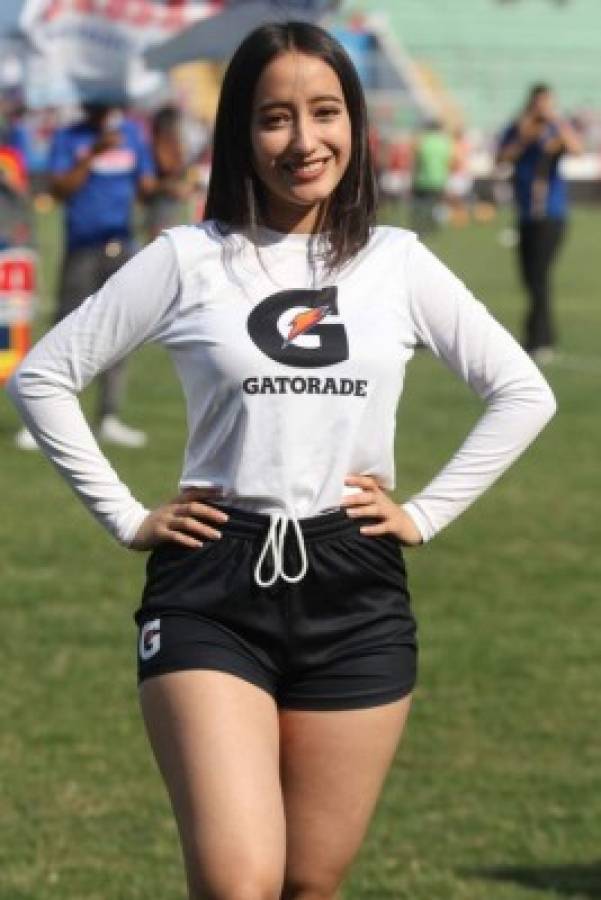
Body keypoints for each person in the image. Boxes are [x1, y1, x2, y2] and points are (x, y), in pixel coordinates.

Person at [7, 22, 556, 900]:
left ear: (355, 123)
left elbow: (522, 392)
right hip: (212, 583)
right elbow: (43, 377)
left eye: (325, 112)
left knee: (308, 883)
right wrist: (126, 516)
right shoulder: (189, 257)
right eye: (275, 118)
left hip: (354, 588)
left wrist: (423, 513)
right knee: (239, 882)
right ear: (240, 132)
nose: (304, 140)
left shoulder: (397, 262)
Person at [46, 99, 156, 447]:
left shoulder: (131, 134)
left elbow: (147, 187)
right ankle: (52, 417)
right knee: (67, 331)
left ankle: (108, 416)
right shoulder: (68, 137)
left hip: (121, 246)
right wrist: (93, 154)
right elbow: (59, 190)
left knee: (119, 334)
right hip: (82, 247)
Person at [497, 84, 583, 363]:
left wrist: (556, 122)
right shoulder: (519, 129)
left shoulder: (557, 130)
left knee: (539, 277)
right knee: (529, 278)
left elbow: (576, 149)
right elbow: (501, 158)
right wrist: (525, 137)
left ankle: (540, 339)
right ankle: (537, 337)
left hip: (551, 215)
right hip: (526, 215)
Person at [145, 104, 192, 241]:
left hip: (174, 215)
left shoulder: (174, 144)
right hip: (160, 216)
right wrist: (169, 187)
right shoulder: (153, 148)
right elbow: (147, 185)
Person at [410, 118, 453, 236]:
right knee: (436, 205)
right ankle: (433, 227)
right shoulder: (445, 142)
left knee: (421, 206)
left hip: (422, 179)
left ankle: (420, 227)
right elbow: (448, 162)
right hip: (439, 179)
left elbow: (417, 161)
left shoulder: (423, 141)